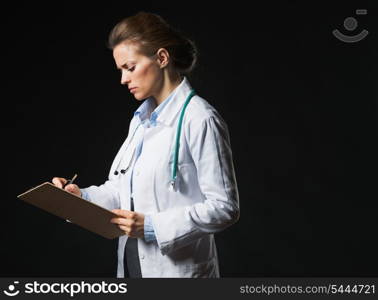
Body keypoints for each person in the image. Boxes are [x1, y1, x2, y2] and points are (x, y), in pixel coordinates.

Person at [52, 11, 240, 278]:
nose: (123, 79)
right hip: (132, 266)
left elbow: (224, 207)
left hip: (178, 273)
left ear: (162, 58)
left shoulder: (200, 119)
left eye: (130, 68)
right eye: (120, 71)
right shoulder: (141, 121)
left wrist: (152, 226)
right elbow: (123, 191)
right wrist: (80, 197)